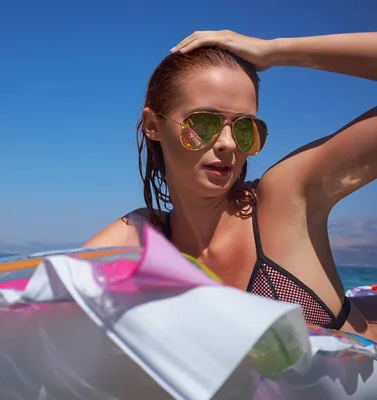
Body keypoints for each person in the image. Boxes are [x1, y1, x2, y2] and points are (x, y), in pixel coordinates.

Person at [82, 30, 377, 341]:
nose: (228, 144)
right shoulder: (141, 233)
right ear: (154, 126)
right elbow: (39, 298)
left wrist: (275, 51)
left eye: (245, 128)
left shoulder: (284, 199)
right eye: (202, 124)